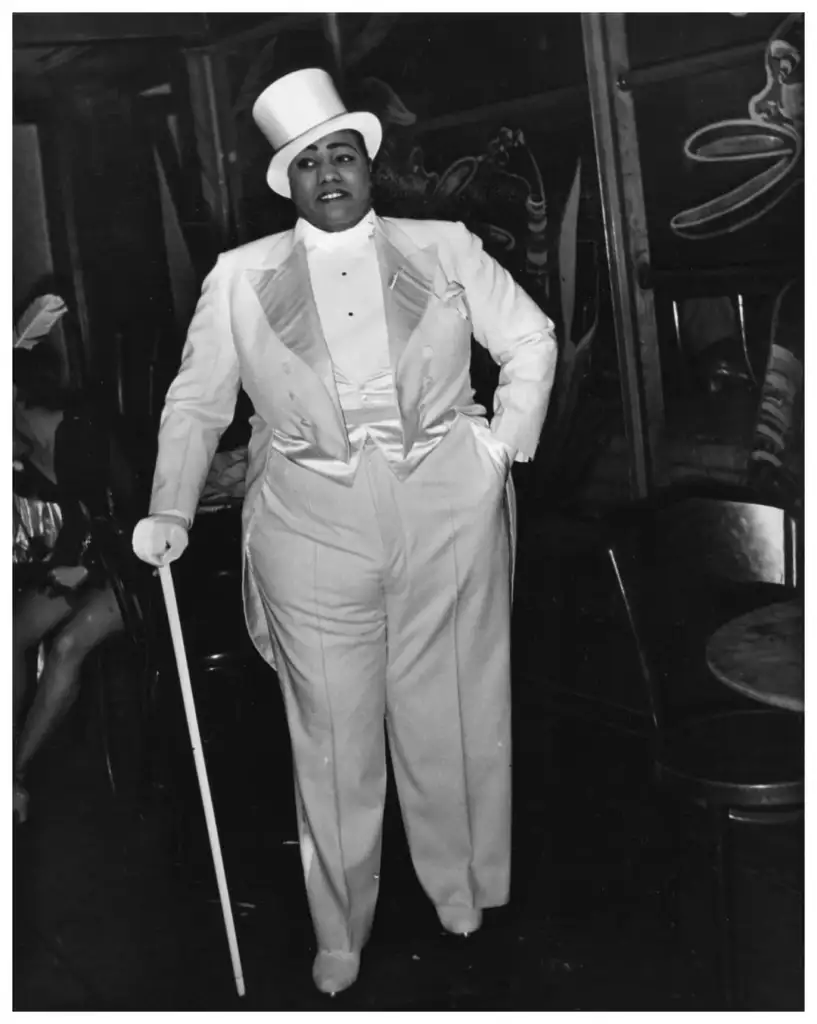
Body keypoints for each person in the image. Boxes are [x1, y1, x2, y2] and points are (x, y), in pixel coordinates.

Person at [132, 67, 558, 996]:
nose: (328, 171)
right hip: (308, 521)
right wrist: (169, 507)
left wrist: (498, 451)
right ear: (284, 180)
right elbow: (197, 404)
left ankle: (461, 887)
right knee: (330, 732)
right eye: (307, 160)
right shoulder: (238, 277)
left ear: (368, 165)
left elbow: (530, 340)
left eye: (343, 153)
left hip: (445, 504)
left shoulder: (442, 246)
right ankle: (340, 928)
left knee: (449, 707)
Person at [13, 345, 143, 823]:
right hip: (95, 564)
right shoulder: (30, 451)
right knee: (12, 632)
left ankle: (16, 775)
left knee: (69, 643)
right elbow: (69, 534)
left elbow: (121, 520)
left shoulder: (78, 433)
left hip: (139, 565)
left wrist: (81, 570)